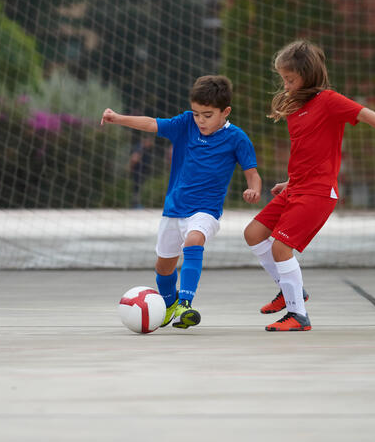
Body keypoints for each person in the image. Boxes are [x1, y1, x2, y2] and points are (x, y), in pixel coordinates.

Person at [244, 40, 375, 331]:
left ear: (308, 75)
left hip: (318, 192)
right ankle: (289, 289)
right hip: (297, 187)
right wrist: (290, 181)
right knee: (254, 233)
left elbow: (363, 112)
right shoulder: (296, 106)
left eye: (290, 79)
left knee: (282, 248)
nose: (285, 84)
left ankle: (298, 315)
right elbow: (307, 152)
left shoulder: (329, 100)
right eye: (283, 78)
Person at [102, 75, 262, 328]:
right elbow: (152, 124)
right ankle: (169, 305)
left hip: (206, 210)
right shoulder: (185, 123)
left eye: (207, 115)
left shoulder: (237, 138)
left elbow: (252, 174)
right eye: (197, 113)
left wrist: (253, 190)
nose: (200, 120)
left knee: (194, 240)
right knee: (164, 266)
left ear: (226, 111)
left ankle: (186, 304)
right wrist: (118, 118)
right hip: (174, 209)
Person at [129, 135, 154, 208]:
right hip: (138, 171)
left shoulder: (143, 148)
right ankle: (136, 204)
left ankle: (136, 204)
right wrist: (130, 167)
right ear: (146, 140)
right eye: (150, 142)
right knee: (137, 188)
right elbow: (134, 158)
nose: (151, 144)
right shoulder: (140, 147)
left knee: (138, 188)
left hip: (141, 171)